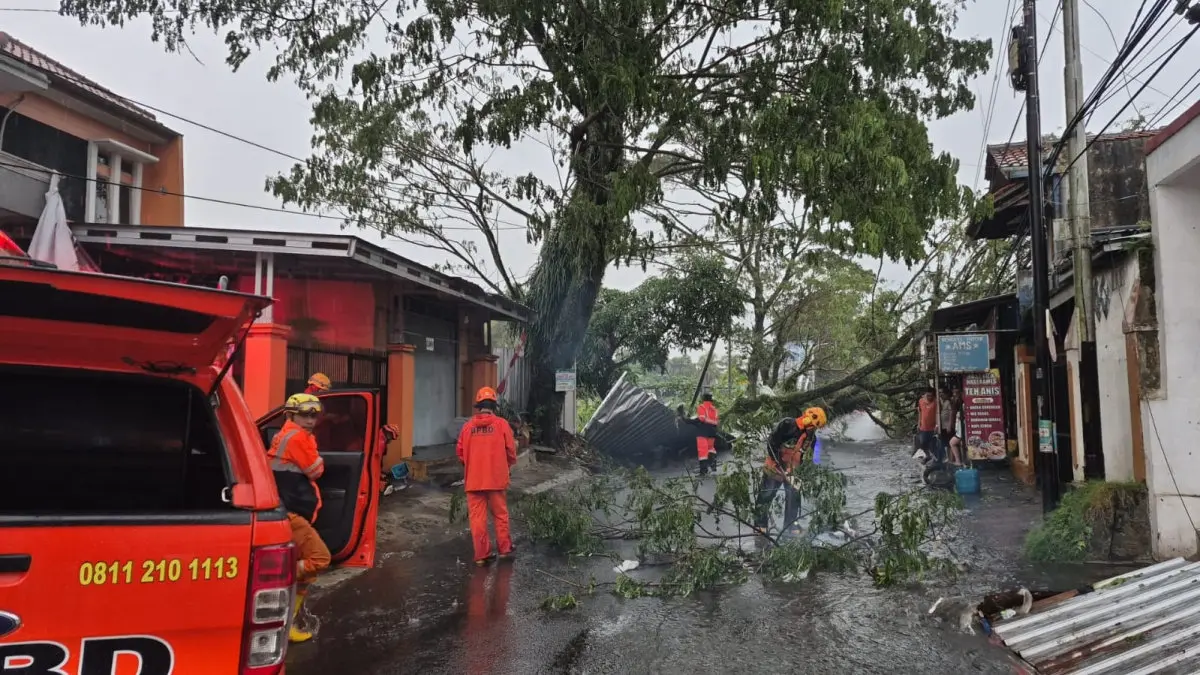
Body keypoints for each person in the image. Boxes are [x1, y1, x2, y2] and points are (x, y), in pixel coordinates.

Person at [267, 392, 331, 643]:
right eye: (305, 415)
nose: (311, 420)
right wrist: (314, 448)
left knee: (309, 572)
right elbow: (317, 470)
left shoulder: (286, 435)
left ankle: (288, 625)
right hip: (290, 513)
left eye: (314, 416)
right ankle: (279, 576)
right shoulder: (297, 437)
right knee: (319, 558)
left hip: (286, 509)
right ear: (291, 415)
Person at [456, 386, 518, 566]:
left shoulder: (467, 427)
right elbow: (511, 451)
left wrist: (471, 465)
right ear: (493, 406)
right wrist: (507, 464)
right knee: (500, 515)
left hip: (474, 481)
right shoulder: (501, 425)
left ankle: (482, 556)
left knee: (477, 519)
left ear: (479, 406)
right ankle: (505, 550)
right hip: (496, 480)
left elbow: (460, 452)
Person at [753, 406, 827, 535]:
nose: (813, 430)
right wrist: (780, 465)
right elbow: (772, 443)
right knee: (767, 494)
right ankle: (760, 524)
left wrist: (808, 472)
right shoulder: (787, 425)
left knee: (794, 497)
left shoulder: (811, 438)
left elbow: (812, 457)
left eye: (815, 428)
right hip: (775, 466)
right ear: (807, 419)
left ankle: (790, 525)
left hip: (794, 470)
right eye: (813, 426)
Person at [695, 393, 720, 476]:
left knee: (702, 451)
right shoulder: (714, 409)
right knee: (711, 448)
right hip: (712, 431)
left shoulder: (701, 407)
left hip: (703, 431)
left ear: (703, 399)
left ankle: (703, 471)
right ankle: (713, 467)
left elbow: (702, 418)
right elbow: (716, 422)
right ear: (711, 400)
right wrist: (712, 422)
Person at [916, 387, 940, 463]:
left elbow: (938, 414)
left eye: (931, 396)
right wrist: (918, 423)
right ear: (925, 395)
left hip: (933, 427)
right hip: (923, 426)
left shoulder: (936, 402)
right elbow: (920, 413)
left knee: (933, 444)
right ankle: (927, 456)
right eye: (928, 395)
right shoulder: (920, 401)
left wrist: (937, 425)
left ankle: (934, 459)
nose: (929, 397)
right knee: (923, 443)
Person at [938, 389, 956, 461]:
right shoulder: (944, 402)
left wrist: (949, 425)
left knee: (949, 444)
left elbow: (951, 412)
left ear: (947, 394)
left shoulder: (948, 402)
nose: (941, 395)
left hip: (947, 426)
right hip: (944, 426)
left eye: (942, 393)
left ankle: (951, 459)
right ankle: (949, 459)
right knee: (946, 444)